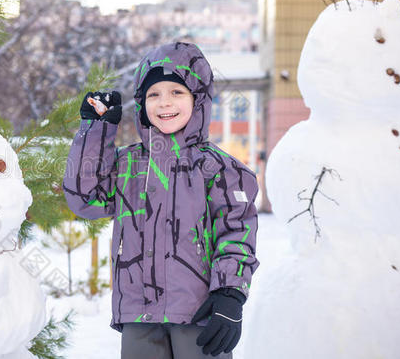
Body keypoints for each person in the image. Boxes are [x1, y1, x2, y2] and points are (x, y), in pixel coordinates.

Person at [62, 42, 259, 358]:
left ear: (199, 99)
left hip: (200, 314)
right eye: (153, 94)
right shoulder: (127, 165)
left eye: (177, 92)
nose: (164, 103)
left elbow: (236, 233)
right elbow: (86, 199)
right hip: (138, 316)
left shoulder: (220, 169)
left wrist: (229, 293)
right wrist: (96, 131)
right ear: (141, 104)